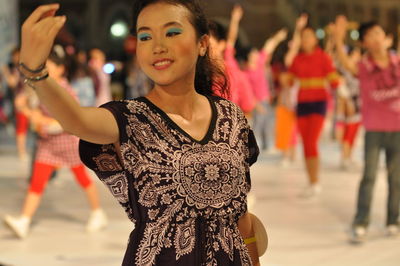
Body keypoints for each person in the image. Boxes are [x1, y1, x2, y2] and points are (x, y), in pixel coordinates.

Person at [17, 1, 261, 265]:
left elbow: (241, 216)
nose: (157, 46)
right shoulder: (130, 118)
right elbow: (77, 120)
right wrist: (36, 73)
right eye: (145, 36)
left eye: (172, 32)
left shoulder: (231, 117)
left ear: (202, 44)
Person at [4, 45, 108, 239]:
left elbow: (65, 123)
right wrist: (25, 106)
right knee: (37, 182)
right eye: (46, 66)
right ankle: (24, 221)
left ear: (61, 69)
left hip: (67, 142)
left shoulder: (66, 91)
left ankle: (98, 213)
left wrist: (35, 117)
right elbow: (31, 105)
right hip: (48, 143)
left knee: (82, 178)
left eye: (50, 65)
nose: (47, 69)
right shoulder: (45, 89)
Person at [333, 16, 400, 243]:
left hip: (397, 129)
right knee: (369, 176)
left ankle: (393, 219)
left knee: (396, 177)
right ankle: (361, 221)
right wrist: (338, 37)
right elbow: (344, 62)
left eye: (379, 33)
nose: (377, 38)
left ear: (386, 38)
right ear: (364, 43)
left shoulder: (397, 62)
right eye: (370, 36)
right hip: (374, 129)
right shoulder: (363, 66)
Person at [285, 14, 339, 198]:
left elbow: (334, 82)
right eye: (303, 36)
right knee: (305, 144)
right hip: (302, 105)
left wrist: (344, 97)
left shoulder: (323, 57)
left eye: (309, 36)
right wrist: (285, 79)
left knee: (311, 142)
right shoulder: (297, 60)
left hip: (318, 104)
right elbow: (289, 81)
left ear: (315, 39)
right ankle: (311, 181)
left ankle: (315, 181)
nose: (306, 40)